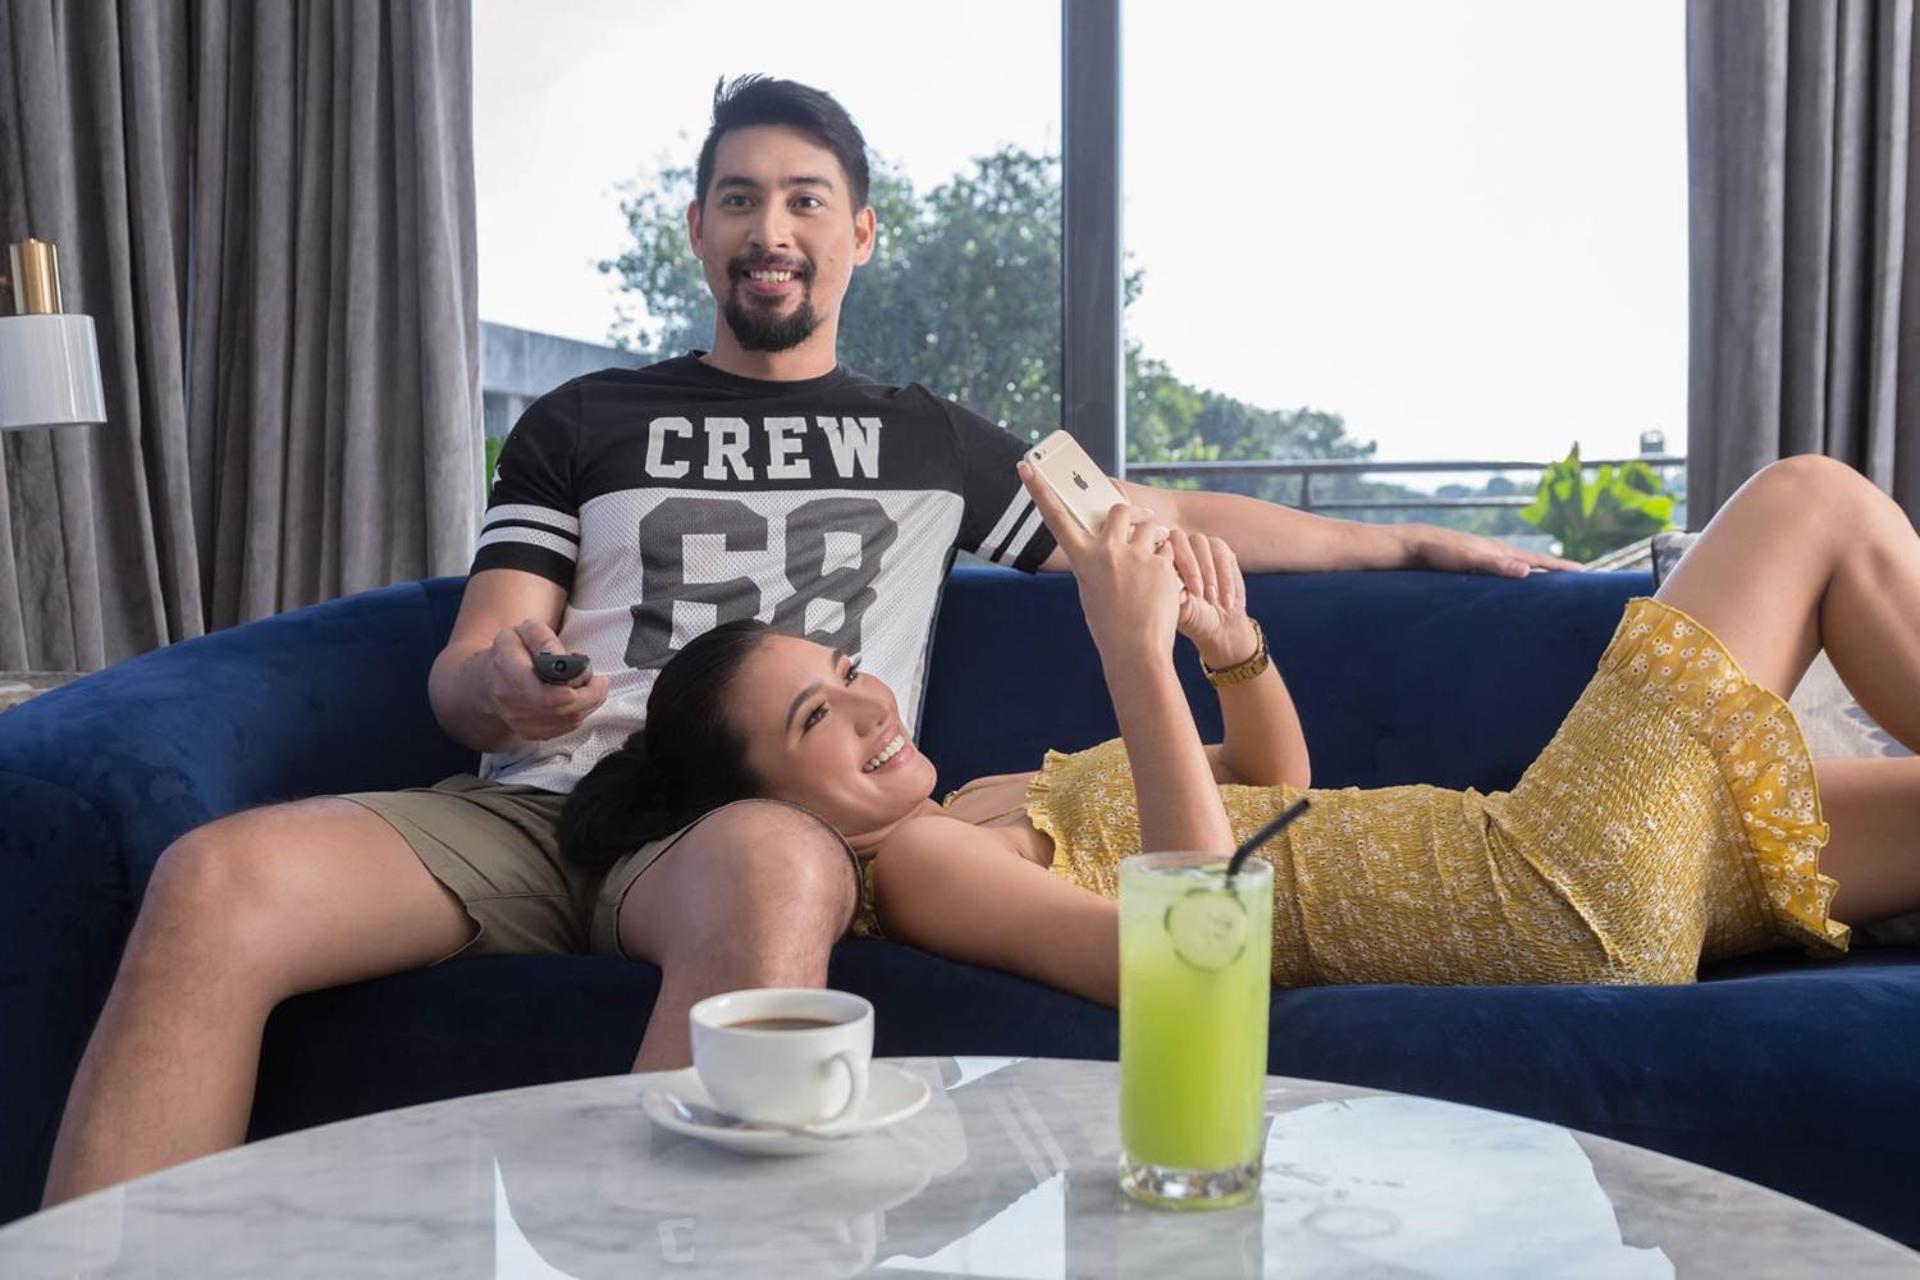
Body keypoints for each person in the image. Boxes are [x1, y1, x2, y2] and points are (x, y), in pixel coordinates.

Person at [40, 75, 1571, 1207]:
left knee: (776, 862)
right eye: (737, 199)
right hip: (535, 808)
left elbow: (1147, 515)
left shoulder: (932, 442)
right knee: (216, 879)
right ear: (698, 229)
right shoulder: (582, 421)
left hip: (749, 824)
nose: (768, 229)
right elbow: (474, 654)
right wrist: (500, 687)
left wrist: (1408, 541)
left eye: (804, 200)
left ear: (859, 233)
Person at [561, 454, 1920, 1002]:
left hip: (1526, 858)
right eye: (818, 714)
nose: (871, 699)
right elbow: (1189, 964)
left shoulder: (978, 797)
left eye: (850, 668)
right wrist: (1129, 654)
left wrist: (1230, 653)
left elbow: (1270, 783)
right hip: (1541, 894)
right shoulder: (914, 865)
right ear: (768, 803)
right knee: (1805, 501)